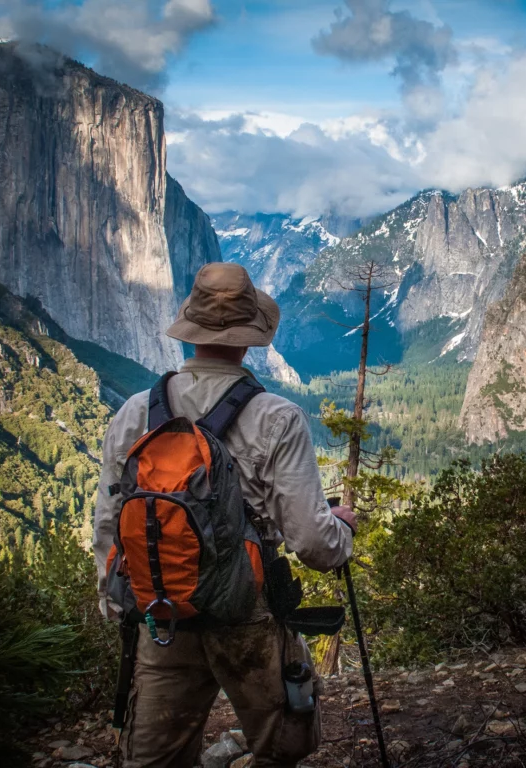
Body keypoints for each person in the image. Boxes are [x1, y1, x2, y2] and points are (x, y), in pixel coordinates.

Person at [93, 262, 356, 768]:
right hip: (247, 612)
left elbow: (110, 523)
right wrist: (341, 527)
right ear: (250, 336)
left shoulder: (132, 413)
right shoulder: (277, 417)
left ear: (190, 330)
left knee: (154, 760)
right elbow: (313, 543)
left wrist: (120, 600)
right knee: (283, 746)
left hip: (162, 613)